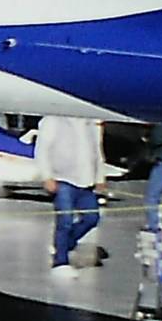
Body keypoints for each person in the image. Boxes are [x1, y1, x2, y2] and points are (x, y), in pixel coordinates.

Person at [37, 115, 105, 277]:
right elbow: (42, 150)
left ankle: (64, 244)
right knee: (65, 221)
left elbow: (97, 150)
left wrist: (100, 177)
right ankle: (60, 262)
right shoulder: (53, 120)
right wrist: (47, 176)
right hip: (63, 179)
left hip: (86, 180)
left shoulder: (91, 122)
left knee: (92, 218)